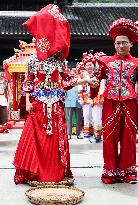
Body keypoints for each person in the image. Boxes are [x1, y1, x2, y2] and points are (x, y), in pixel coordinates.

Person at [13, 4, 97, 184]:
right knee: (38, 140)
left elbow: (67, 82)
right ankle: (36, 173)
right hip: (38, 105)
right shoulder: (34, 61)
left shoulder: (61, 62)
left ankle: (55, 174)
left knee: (54, 139)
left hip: (56, 106)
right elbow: (28, 82)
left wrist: (86, 80)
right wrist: (27, 101)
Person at [93, 18, 138, 184]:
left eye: (124, 42)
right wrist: (93, 83)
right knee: (109, 138)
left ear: (131, 44)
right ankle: (110, 171)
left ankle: (128, 172)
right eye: (118, 43)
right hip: (110, 103)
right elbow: (95, 82)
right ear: (114, 44)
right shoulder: (105, 62)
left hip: (130, 103)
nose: (120, 46)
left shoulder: (136, 63)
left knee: (129, 138)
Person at [65, 67, 83, 140]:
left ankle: (78, 133)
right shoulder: (67, 80)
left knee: (79, 118)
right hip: (69, 101)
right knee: (68, 118)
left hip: (78, 101)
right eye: (72, 71)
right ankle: (69, 134)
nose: (74, 73)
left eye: (75, 72)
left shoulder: (80, 80)